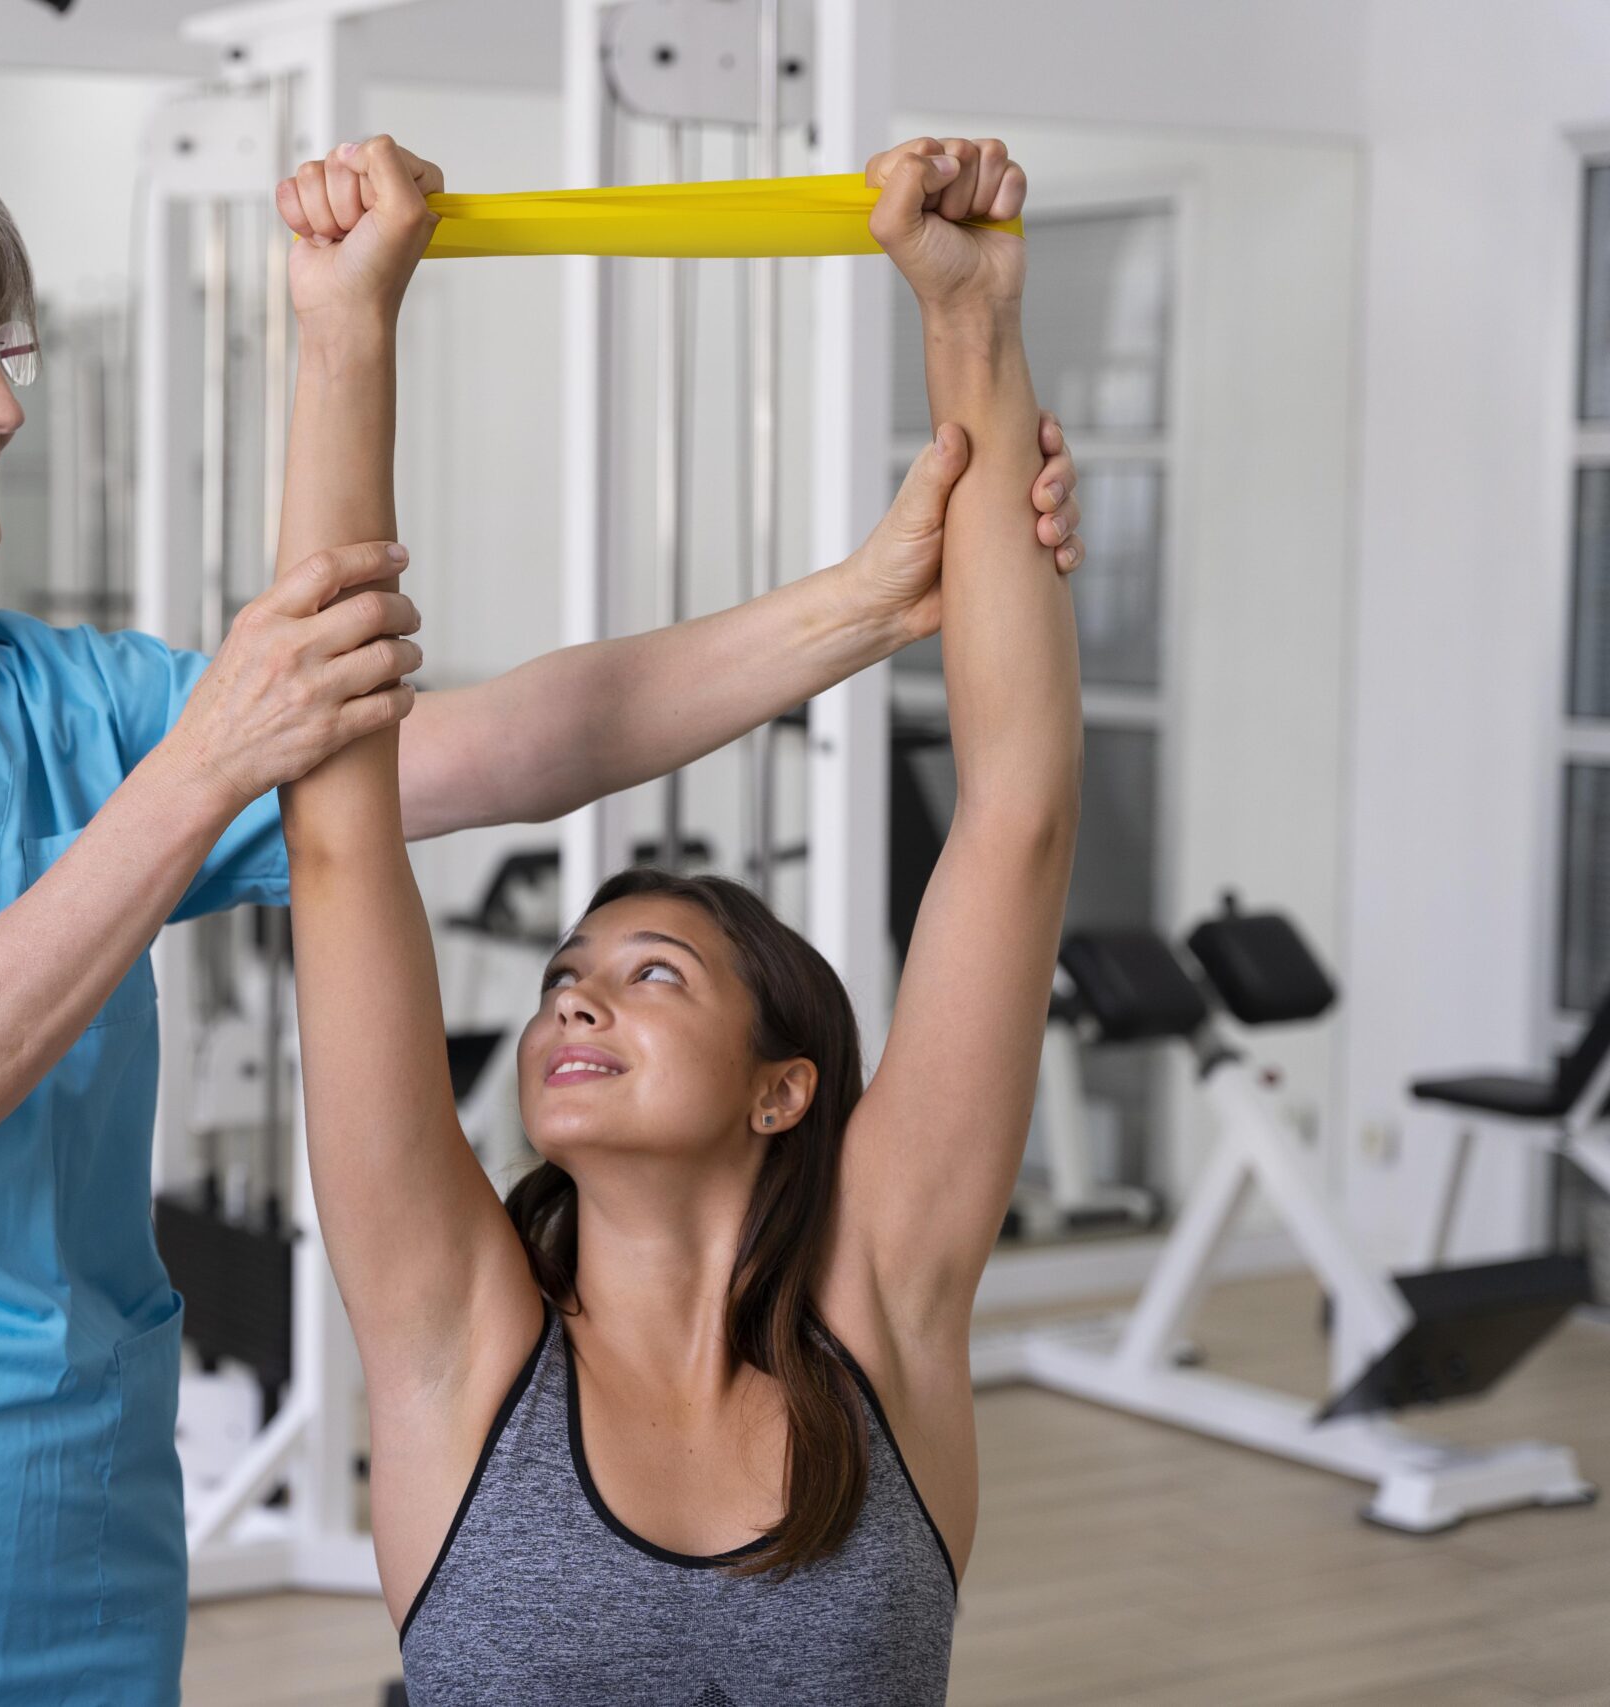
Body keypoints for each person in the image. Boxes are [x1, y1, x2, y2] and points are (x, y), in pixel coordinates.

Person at [0, 120, 1088, 1707]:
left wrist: (872, 600)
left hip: (74, 1547)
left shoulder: (63, 706)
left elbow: (505, 747)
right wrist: (206, 763)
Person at [268, 133, 1075, 1706]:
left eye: (651, 975)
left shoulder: (883, 1313)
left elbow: (1020, 813)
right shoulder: (458, 1341)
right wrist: (344, 333)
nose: (575, 1002)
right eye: (570, 977)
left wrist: (971, 320)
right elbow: (343, 840)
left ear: (787, 1089)